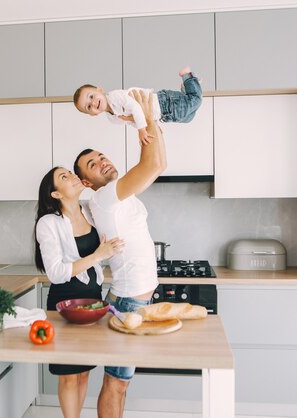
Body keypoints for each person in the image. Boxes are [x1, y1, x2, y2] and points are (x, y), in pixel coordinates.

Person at [73, 90, 166, 418]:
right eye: (93, 164)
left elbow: (160, 163)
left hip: (134, 299)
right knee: (117, 381)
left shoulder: (114, 195)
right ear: (86, 181)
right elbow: (154, 163)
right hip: (129, 301)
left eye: (101, 155)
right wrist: (146, 117)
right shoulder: (105, 197)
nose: (103, 161)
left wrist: (148, 119)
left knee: (120, 381)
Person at [34, 166, 125, 418]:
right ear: (55, 194)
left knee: (83, 370)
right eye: (64, 177)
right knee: (68, 376)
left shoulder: (90, 212)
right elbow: (55, 273)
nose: (72, 177)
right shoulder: (48, 223)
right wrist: (98, 254)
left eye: (71, 173)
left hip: (92, 302)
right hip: (65, 304)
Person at [73, 66, 202, 145]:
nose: (93, 103)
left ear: (100, 90)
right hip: (162, 115)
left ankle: (187, 76)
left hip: (164, 103)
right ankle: (185, 90)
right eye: (89, 107)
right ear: (92, 115)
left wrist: (142, 130)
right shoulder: (112, 119)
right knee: (189, 117)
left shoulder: (115, 96)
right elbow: (132, 121)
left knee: (196, 100)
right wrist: (153, 124)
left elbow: (136, 108)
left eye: (91, 96)